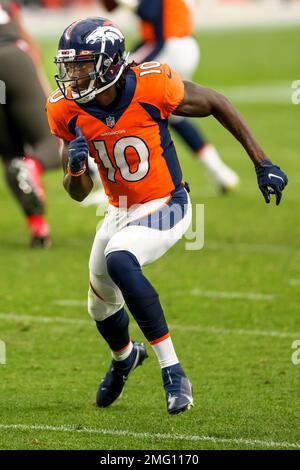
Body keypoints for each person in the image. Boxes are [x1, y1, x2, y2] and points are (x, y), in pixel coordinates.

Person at [46, 18, 287, 413]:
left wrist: (263, 162)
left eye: (83, 66)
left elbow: (216, 103)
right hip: (119, 211)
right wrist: (74, 170)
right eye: (69, 66)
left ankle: (173, 372)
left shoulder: (153, 84)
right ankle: (125, 358)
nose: (73, 76)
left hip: (167, 204)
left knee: (120, 259)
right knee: (100, 306)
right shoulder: (66, 109)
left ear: (108, 64)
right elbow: (78, 194)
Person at [98, 0, 240, 193]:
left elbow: (149, 11)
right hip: (182, 45)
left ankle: (114, 183)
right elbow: (111, 8)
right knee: (175, 115)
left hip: (168, 46)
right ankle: (220, 171)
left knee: (113, 91)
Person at [0, 0, 61, 247]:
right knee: (52, 141)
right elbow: (27, 41)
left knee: (10, 154)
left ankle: (39, 230)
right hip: (14, 59)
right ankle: (33, 167)